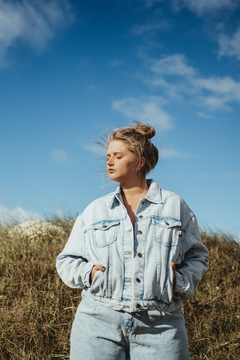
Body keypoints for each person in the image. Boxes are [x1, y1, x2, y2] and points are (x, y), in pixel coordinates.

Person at [56, 122, 209, 360]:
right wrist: (90, 274)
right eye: (108, 156)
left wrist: (178, 281)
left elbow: (197, 255)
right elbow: (67, 260)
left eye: (118, 156)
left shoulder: (173, 205)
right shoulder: (96, 210)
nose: (109, 161)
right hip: (97, 321)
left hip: (162, 324)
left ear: (139, 162)